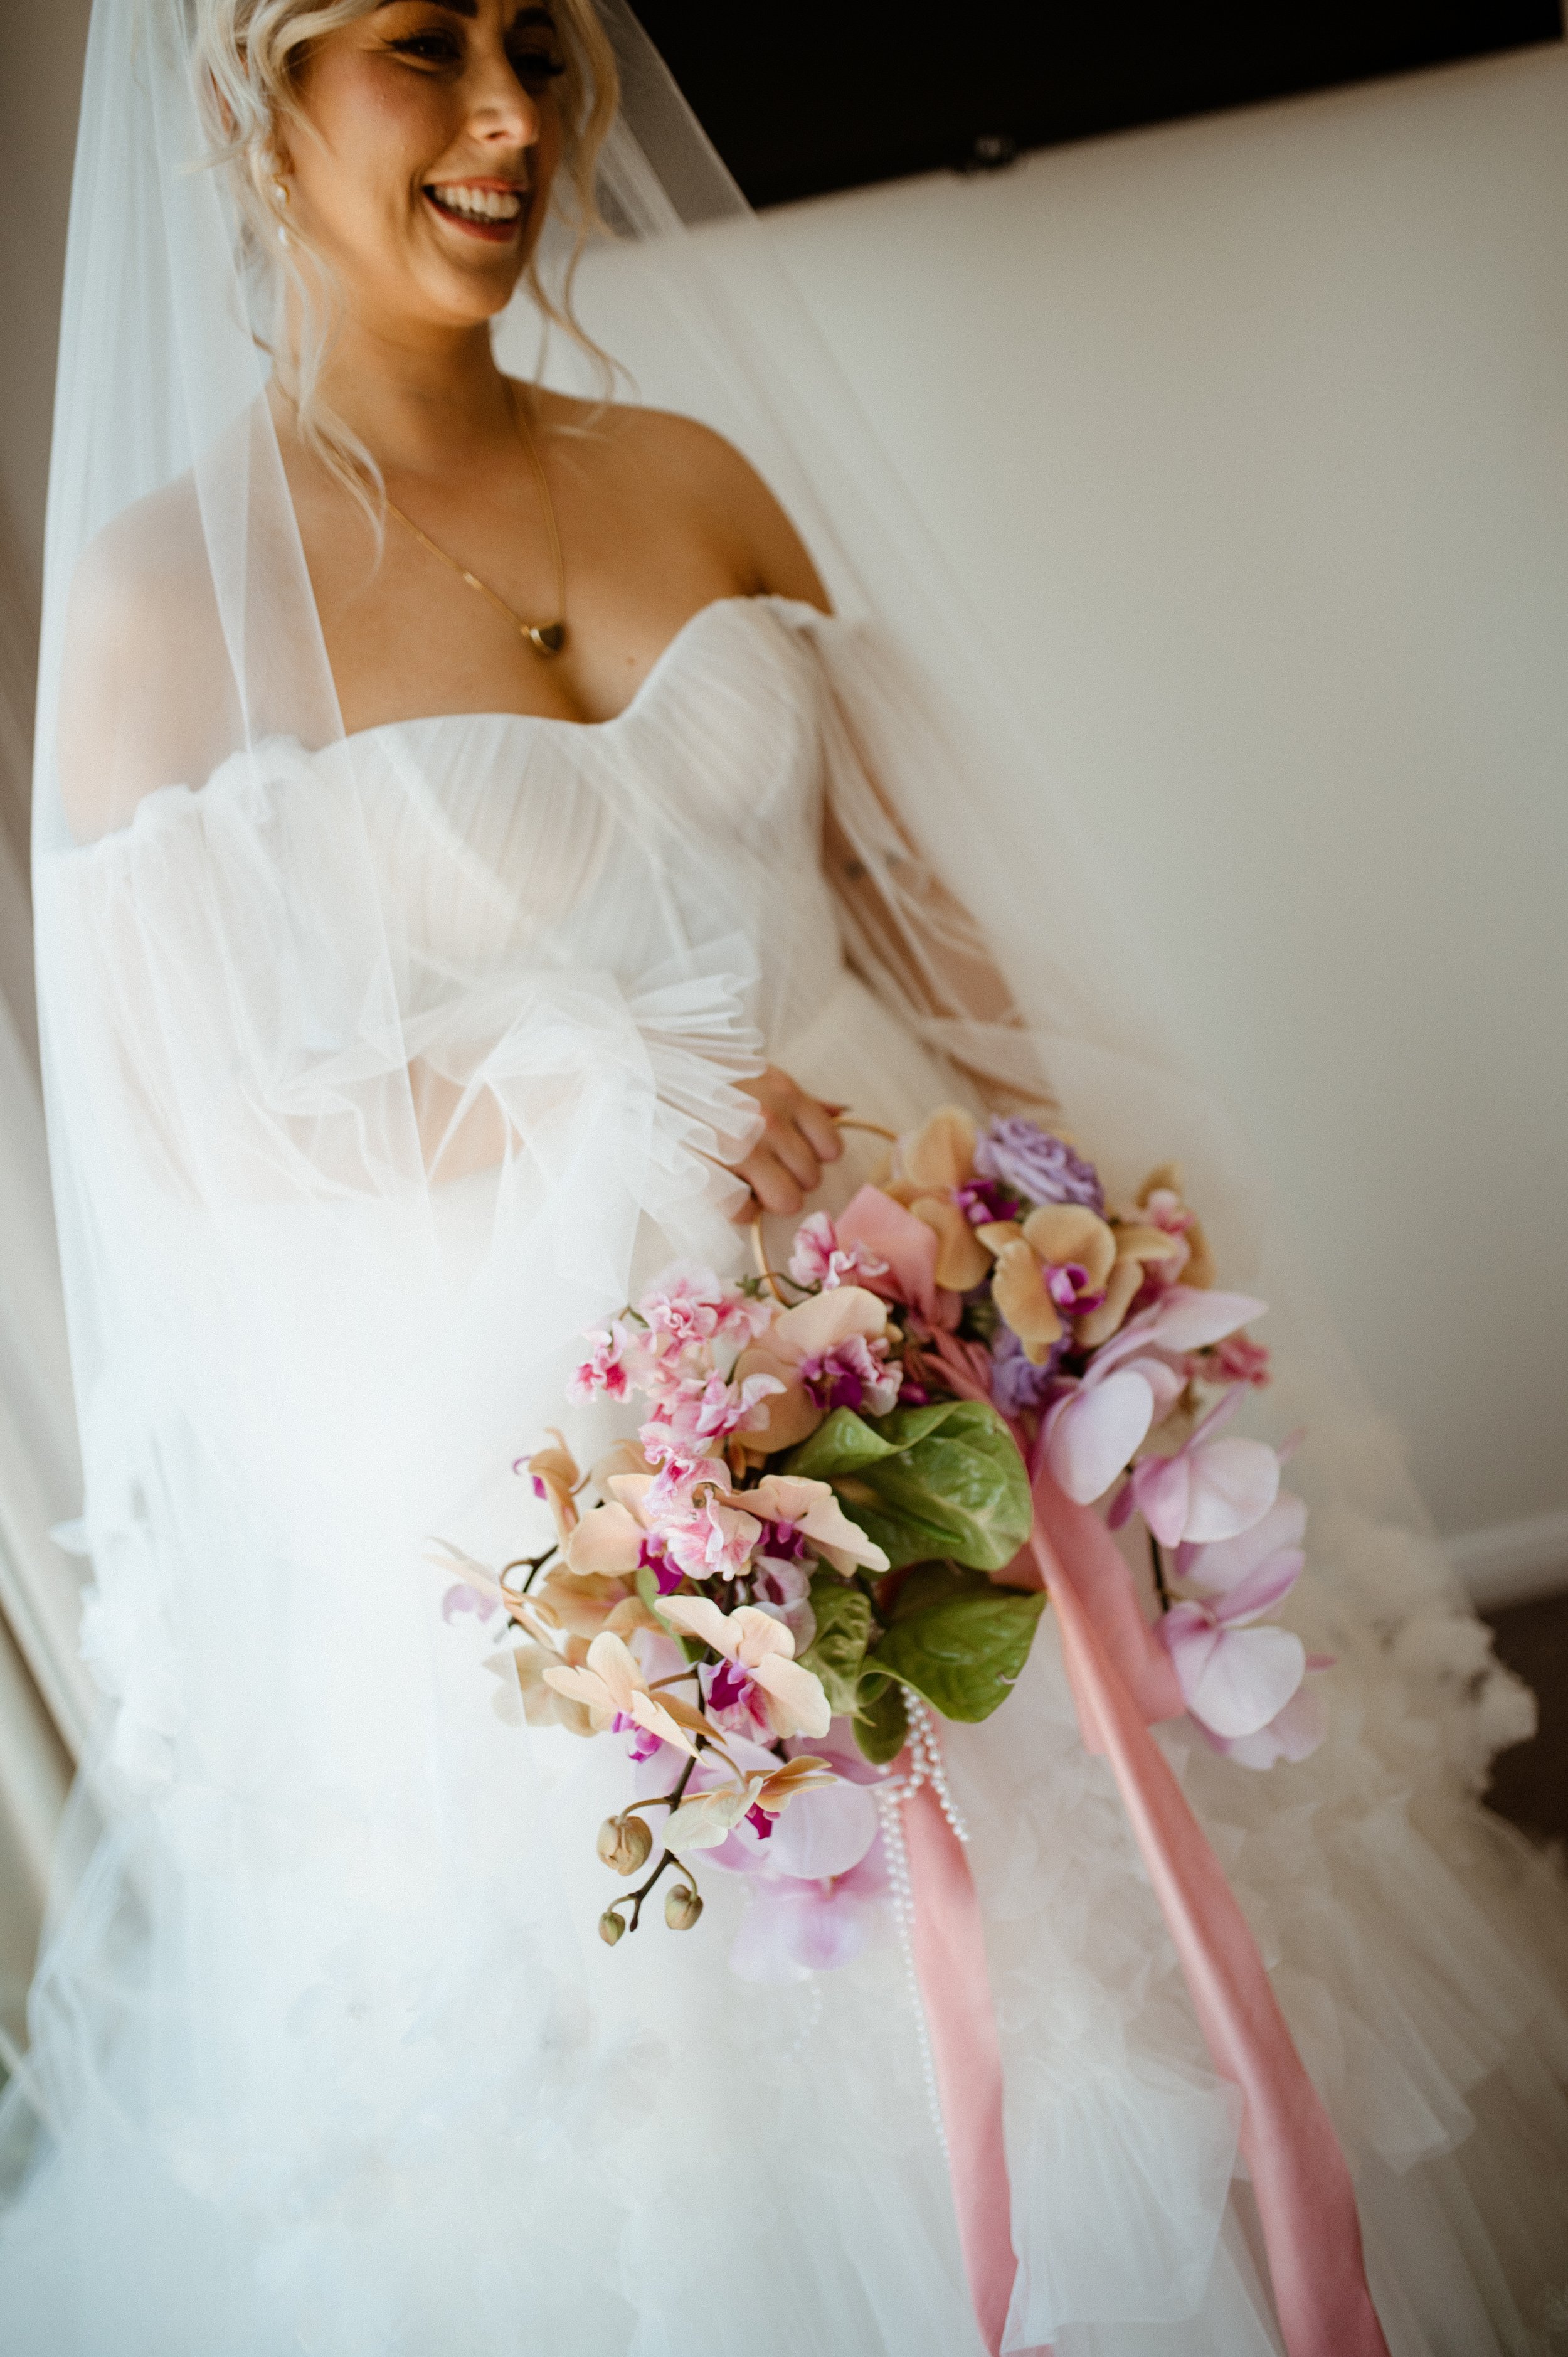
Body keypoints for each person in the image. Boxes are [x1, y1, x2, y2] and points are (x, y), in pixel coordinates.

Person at [4, 3, 1565, 2350]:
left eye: (537, 35)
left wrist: (1076, 1248)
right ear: (253, 95)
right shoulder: (153, 607)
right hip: (564, 1460)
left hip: (935, 1322)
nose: (515, 112)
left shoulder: (697, 474)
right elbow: (196, 1142)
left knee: (1155, 1969)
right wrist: (565, 1086)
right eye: (423, 45)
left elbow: (926, 926)